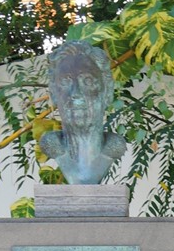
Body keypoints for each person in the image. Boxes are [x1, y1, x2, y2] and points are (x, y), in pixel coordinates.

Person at [39, 42, 126, 185]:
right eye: (65, 83)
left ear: (107, 92)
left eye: (88, 81)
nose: (76, 93)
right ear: (54, 94)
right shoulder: (52, 145)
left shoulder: (114, 147)